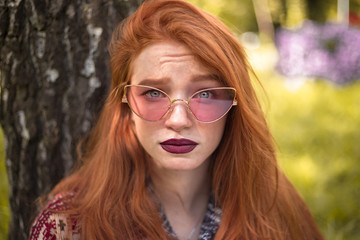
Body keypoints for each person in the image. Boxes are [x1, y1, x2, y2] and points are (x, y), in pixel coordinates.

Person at [29, 0, 324, 239]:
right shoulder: (69, 226)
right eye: (154, 93)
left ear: (235, 105)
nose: (179, 120)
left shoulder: (276, 211)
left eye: (206, 94)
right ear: (125, 103)